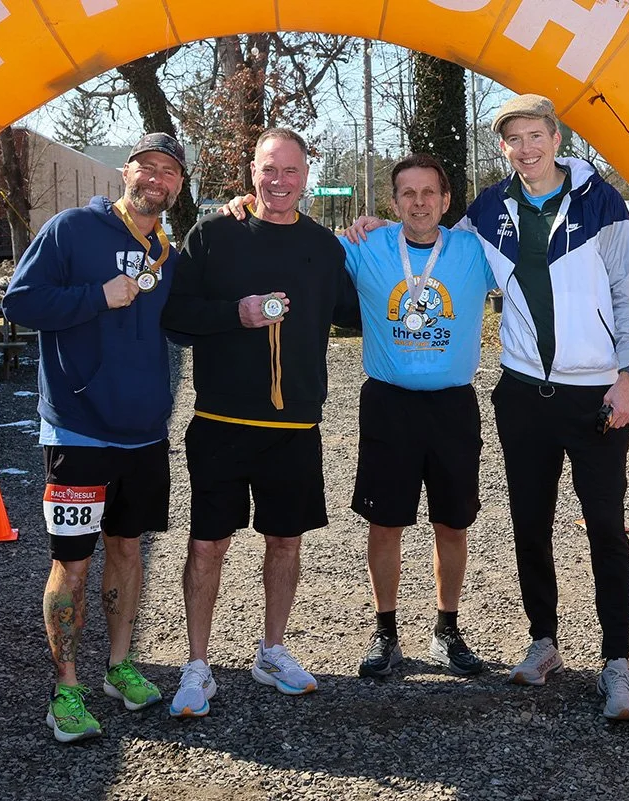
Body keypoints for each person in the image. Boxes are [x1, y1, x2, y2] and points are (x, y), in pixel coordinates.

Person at [349, 95, 629, 720]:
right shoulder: (489, 208)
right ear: (504, 147)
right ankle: (544, 642)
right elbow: (430, 245)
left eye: (535, 135)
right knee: (530, 526)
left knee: (605, 530)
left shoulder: (603, 203)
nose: (525, 148)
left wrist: (625, 376)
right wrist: (374, 229)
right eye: (513, 139)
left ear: (555, 136)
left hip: (594, 392)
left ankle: (617, 665)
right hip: (521, 394)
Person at [222, 154, 496, 680]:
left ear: (445, 200)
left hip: (453, 405)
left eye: (428, 193)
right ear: (393, 203)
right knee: (385, 521)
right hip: (389, 403)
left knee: (452, 522)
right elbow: (295, 249)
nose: (419, 203)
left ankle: (447, 628)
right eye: (407, 194)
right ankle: (386, 631)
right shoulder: (365, 244)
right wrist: (246, 210)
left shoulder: (472, 250)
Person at [161, 127, 359, 718]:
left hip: (295, 425)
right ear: (252, 172)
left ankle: (271, 648)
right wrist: (234, 314)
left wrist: (376, 240)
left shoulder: (325, 248)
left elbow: (357, 310)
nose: (279, 182)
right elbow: (175, 313)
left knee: (284, 540)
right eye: (268, 170)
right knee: (208, 543)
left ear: (307, 174)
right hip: (220, 420)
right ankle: (197, 664)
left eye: (291, 170)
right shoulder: (214, 235)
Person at [2, 132, 187, 742]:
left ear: (179, 187)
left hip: (143, 433)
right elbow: (20, 303)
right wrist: (94, 297)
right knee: (73, 564)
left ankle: (119, 667)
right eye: (148, 167)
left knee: (129, 551)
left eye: (170, 172)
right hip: (78, 430)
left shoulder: (166, 251)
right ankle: (66, 689)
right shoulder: (70, 230)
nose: (157, 178)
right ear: (126, 171)